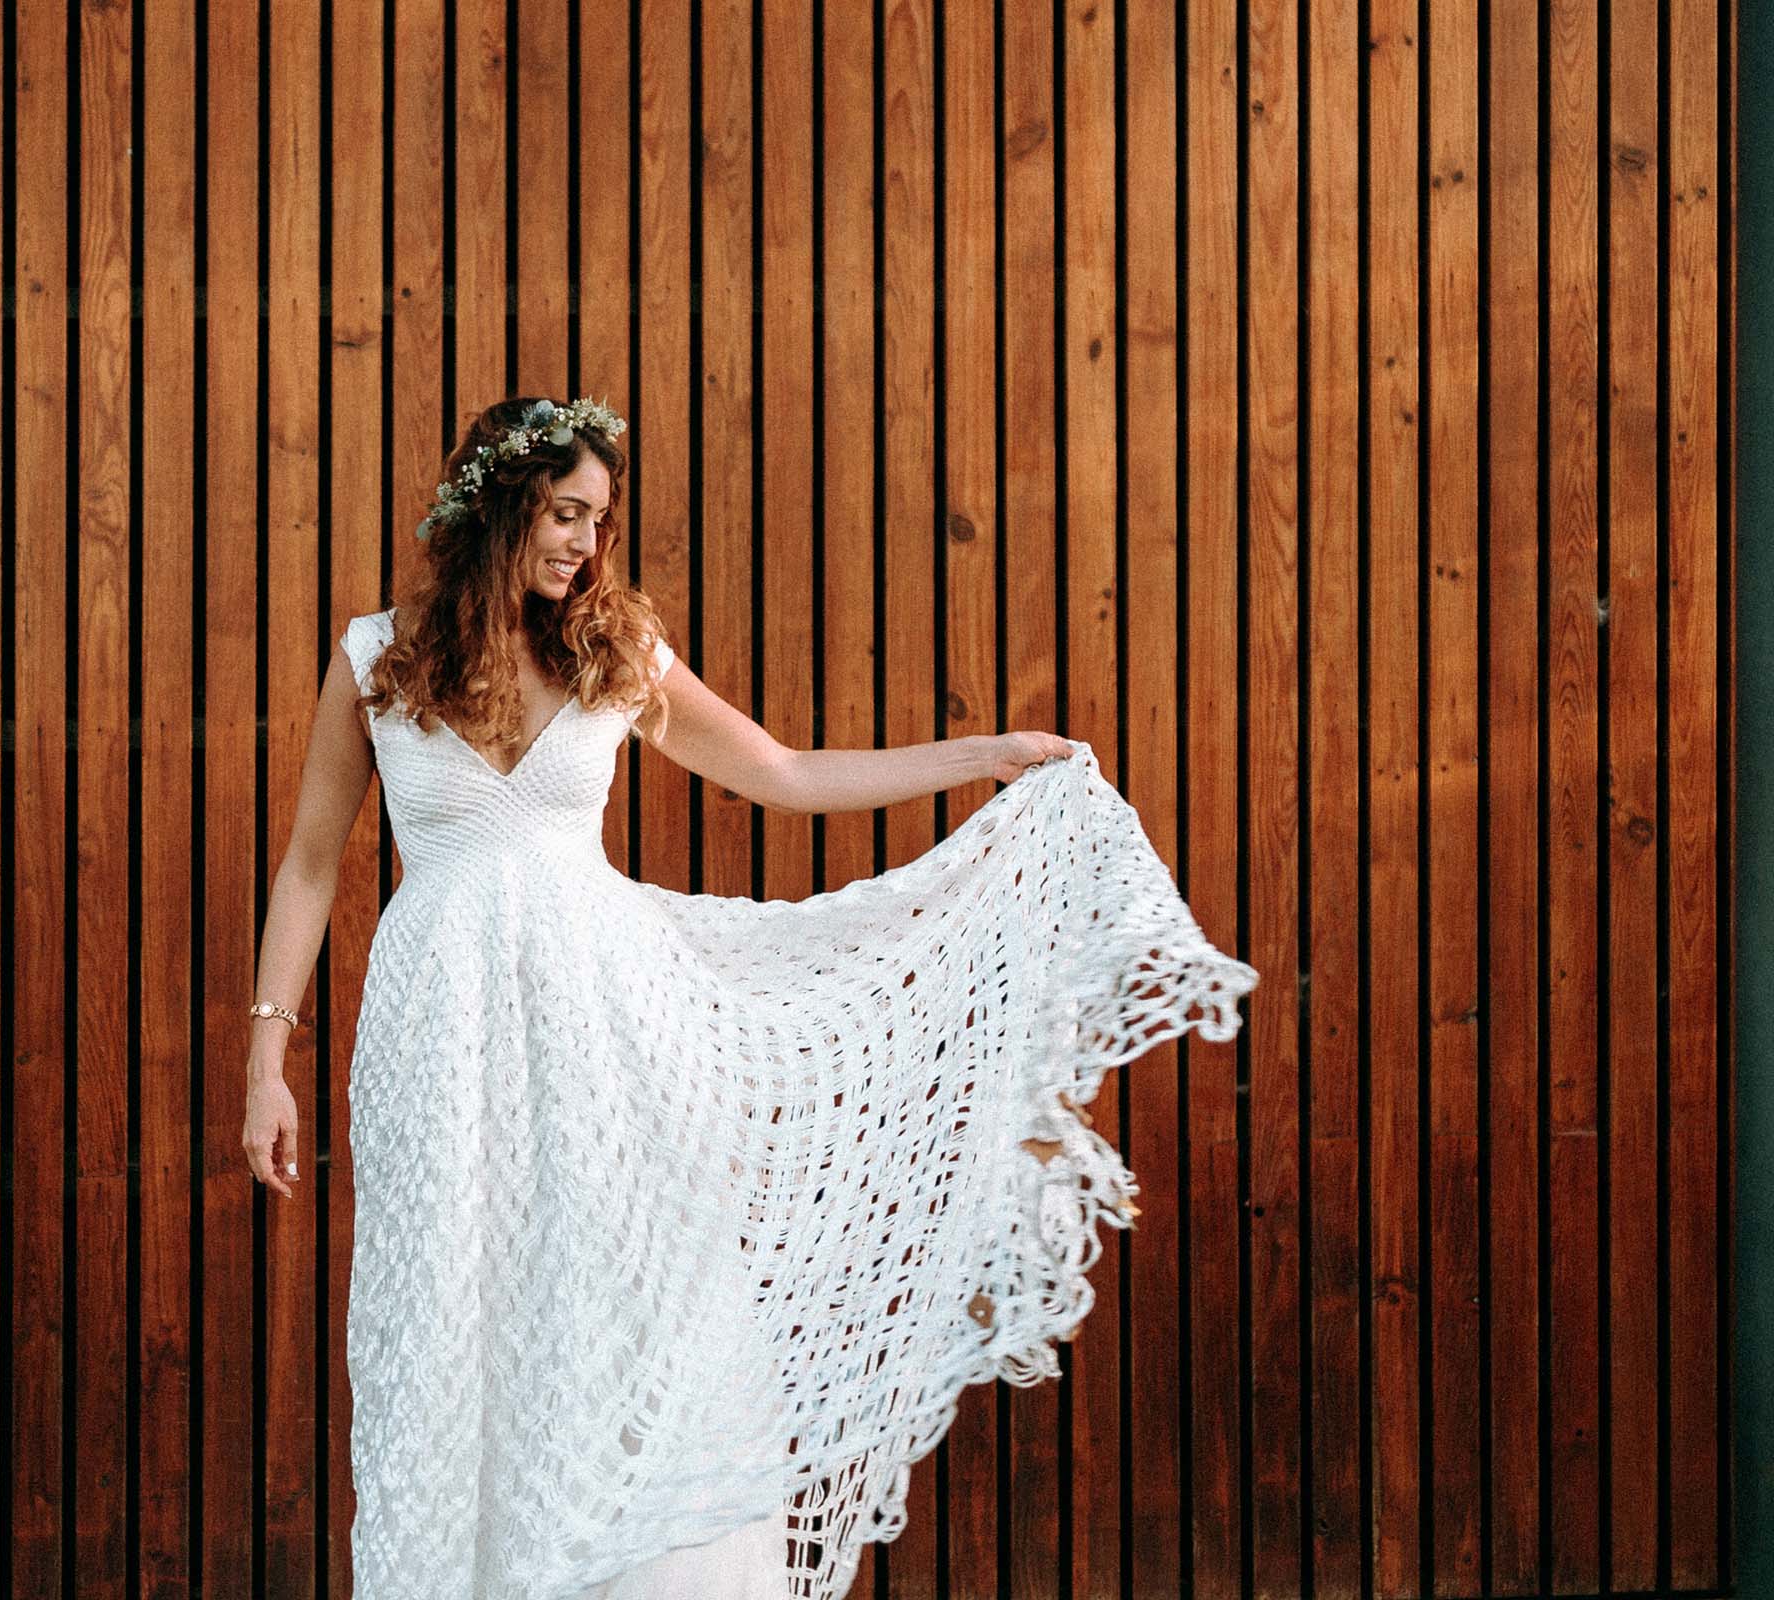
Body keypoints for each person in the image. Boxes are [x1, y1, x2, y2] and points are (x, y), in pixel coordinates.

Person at [239, 395, 1259, 1600]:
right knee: (451, 1331)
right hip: (438, 1035)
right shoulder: (376, 657)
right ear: (498, 505)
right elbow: (311, 862)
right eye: (564, 513)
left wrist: (984, 759)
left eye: (597, 521)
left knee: (623, 1317)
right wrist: (266, 1062)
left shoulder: (614, 651)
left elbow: (781, 772)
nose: (582, 544)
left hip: (608, 1031)